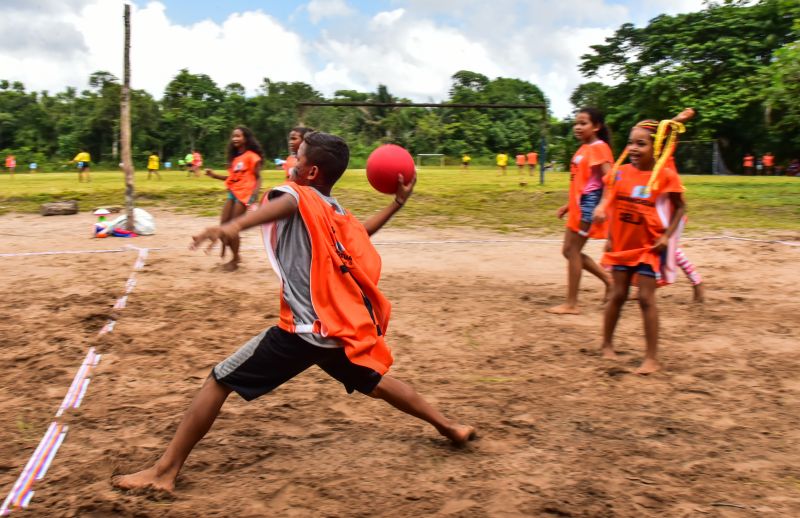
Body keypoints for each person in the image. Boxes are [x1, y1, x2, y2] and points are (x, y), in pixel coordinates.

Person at [112, 131, 475, 494]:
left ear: (312, 171)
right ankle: (448, 427)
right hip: (334, 332)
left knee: (219, 379)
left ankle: (164, 471)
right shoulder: (334, 210)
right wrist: (396, 204)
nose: (292, 162)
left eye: (298, 157)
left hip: (303, 333)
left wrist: (231, 226)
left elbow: (283, 206)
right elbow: (362, 235)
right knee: (376, 382)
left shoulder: (298, 195)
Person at [594, 119, 687, 374]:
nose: (633, 148)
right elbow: (608, 198)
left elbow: (681, 207)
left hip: (648, 248)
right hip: (622, 247)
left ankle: (651, 358)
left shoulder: (665, 175)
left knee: (646, 298)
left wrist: (667, 236)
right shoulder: (620, 172)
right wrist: (603, 212)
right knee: (618, 295)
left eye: (641, 144)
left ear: (655, 147)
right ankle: (606, 344)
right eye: (630, 143)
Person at [546, 107, 613, 315]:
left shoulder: (599, 148)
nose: (577, 127)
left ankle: (572, 304)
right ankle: (609, 280)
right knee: (568, 250)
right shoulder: (584, 148)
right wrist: (568, 206)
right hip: (579, 203)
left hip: (589, 205)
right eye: (576, 123)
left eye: (583, 123)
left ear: (596, 126)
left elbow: (609, 181)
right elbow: (585, 181)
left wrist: (602, 206)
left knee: (572, 251)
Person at [204, 126, 264, 271]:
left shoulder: (252, 156)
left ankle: (235, 260)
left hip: (244, 195)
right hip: (232, 193)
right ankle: (234, 255)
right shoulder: (235, 158)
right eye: (233, 136)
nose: (235, 139)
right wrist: (213, 175)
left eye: (238, 136)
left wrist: (253, 197)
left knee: (232, 228)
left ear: (246, 138)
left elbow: (258, 178)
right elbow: (232, 178)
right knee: (223, 225)